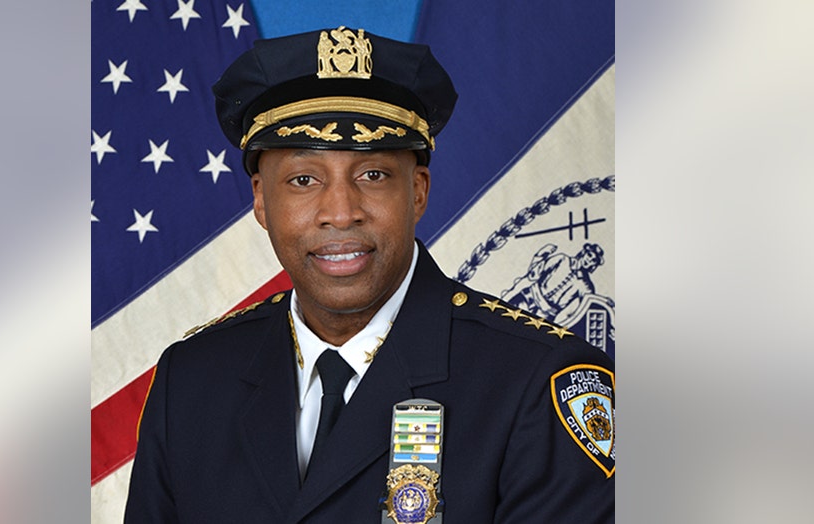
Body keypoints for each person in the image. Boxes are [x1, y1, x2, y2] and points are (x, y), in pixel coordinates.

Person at [124, 26, 614, 524]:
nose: (340, 212)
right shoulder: (191, 382)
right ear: (260, 200)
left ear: (418, 192)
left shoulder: (536, 383)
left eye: (372, 175)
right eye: (303, 180)